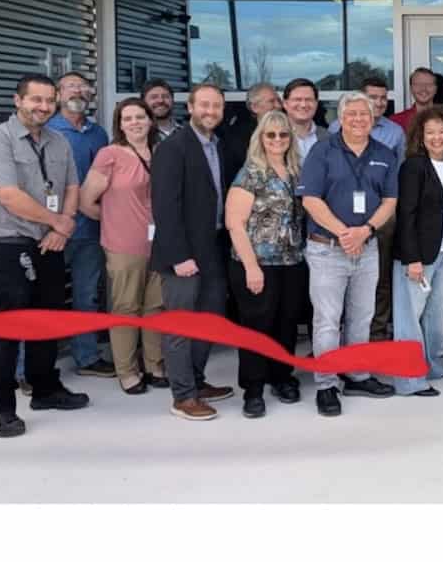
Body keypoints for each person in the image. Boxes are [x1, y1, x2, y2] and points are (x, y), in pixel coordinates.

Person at [0, 74, 90, 438]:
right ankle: (1, 409)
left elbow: (72, 185)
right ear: (18, 100)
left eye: (48, 101)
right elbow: (8, 196)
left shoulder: (58, 141)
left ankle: (45, 390)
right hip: (8, 244)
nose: (43, 107)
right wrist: (58, 222)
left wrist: (61, 229)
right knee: (8, 327)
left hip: (50, 243)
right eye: (35, 100)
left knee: (48, 320)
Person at [299, 91, 399, 416]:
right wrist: (345, 233)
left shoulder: (384, 153)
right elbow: (310, 199)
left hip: (367, 248)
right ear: (340, 118)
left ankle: (356, 374)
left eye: (364, 114)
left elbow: (390, 201)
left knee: (362, 316)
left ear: (373, 118)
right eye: (351, 114)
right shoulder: (322, 150)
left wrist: (365, 231)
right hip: (327, 249)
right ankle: (327, 384)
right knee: (328, 320)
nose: (358, 119)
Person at [151, 83, 236, 420]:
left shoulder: (218, 145)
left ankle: (197, 382)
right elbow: (164, 206)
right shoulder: (172, 148)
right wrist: (178, 256)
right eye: (204, 105)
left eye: (216, 106)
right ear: (190, 107)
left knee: (209, 319)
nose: (210, 112)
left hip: (213, 247)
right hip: (183, 253)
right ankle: (183, 396)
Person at [79, 98, 166, 395]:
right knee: (126, 307)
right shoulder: (110, 155)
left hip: (161, 244)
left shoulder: (161, 152)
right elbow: (86, 201)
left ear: (150, 120)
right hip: (123, 245)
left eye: (140, 116)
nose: (134, 123)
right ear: (119, 124)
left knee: (156, 307)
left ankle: (154, 365)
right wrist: (114, 221)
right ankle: (127, 371)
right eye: (127, 118)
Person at [225, 110, 308, 418]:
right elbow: (235, 223)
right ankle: (254, 389)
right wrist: (251, 267)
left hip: (291, 261)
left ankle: (281, 377)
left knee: (286, 324)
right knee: (256, 328)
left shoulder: (296, 171)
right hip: (257, 263)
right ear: (260, 138)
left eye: (283, 134)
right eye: (270, 134)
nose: (277, 139)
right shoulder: (250, 173)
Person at [392, 106, 443, 397]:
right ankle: (409, 380)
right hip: (418, 256)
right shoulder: (414, 167)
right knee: (409, 317)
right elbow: (406, 214)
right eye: (430, 132)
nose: (437, 137)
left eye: (442, 131)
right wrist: (411, 258)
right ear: (420, 136)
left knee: (436, 315)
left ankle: (432, 366)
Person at [44, 71, 115, 379]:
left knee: (87, 297)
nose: (78, 91)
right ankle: (29, 369)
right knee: (44, 299)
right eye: (71, 86)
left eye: (84, 87)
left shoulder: (98, 134)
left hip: (90, 230)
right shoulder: (46, 130)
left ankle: (86, 358)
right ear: (58, 94)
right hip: (52, 230)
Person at [330, 77, 406, 343]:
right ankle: (342, 335)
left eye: (383, 98)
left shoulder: (395, 132)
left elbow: (398, 175)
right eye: (373, 97)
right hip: (341, 216)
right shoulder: (335, 129)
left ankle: (377, 333)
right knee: (340, 279)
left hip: (380, 215)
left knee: (379, 277)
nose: (379, 102)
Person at [221, 82, 282, 180]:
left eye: (279, 100)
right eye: (272, 101)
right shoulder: (237, 137)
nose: (278, 106)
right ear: (254, 107)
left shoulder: (288, 131)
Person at [283, 78, 327, 162]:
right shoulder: (271, 137)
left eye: (308, 99)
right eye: (297, 99)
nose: (303, 105)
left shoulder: (329, 138)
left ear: (316, 103)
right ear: (285, 104)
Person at [390, 67, 438, 132]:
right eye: (418, 84)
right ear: (411, 88)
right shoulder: (396, 121)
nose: (423, 89)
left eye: (429, 84)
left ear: (435, 89)